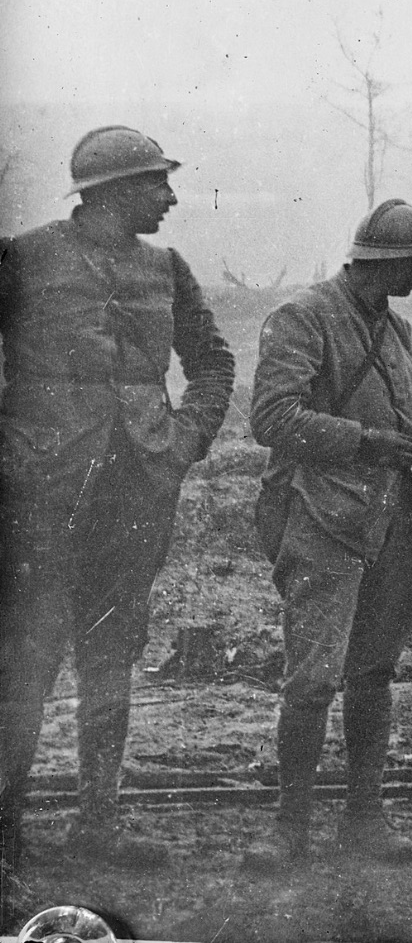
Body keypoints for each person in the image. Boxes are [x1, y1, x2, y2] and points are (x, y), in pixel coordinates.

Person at [0, 128, 235, 878]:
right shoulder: (25, 258)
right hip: (39, 497)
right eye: (156, 184)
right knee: (25, 661)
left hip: (135, 493)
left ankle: (97, 825)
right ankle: (5, 834)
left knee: (112, 657)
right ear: (112, 191)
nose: (170, 198)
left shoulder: (166, 268)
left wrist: (182, 441)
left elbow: (212, 361)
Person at [240, 201, 412, 872]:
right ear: (383, 262)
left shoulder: (396, 328)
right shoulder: (304, 316)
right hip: (323, 517)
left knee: (373, 674)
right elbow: (272, 417)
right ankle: (288, 826)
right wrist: (364, 442)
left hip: (396, 519)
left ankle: (365, 818)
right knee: (311, 680)